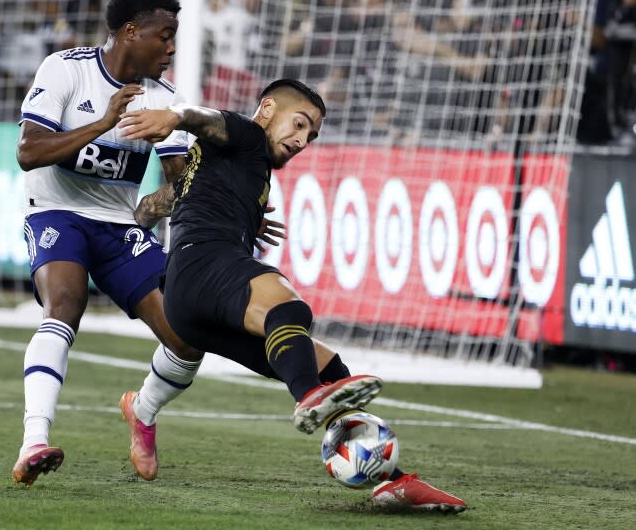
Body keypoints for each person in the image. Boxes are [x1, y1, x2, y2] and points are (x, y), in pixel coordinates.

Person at [118, 78, 468, 512]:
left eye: (312, 135)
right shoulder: (246, 134)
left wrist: (237, 211)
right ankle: (306, 397)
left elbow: (152, 206)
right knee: (287, 307)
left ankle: (391, 482)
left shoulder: (241, 168)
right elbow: (208, 120)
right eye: (299, 124)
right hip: (202, 266)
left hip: (188, 303)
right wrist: (176, 116)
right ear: (266, 110)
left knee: (328, 366)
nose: (302, 140)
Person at [11, 0, 209, 488]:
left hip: (120, 226)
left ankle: (142, 410)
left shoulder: (164, 100)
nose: (170, 49)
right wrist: (104, 122)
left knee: (188, 338)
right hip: (56, 211)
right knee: (65, 305)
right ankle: (34, 440)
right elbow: (30, 152)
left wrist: (182, 198)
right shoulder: (66, 69)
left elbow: (179, 180)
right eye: (163, 37)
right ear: (129, 32)